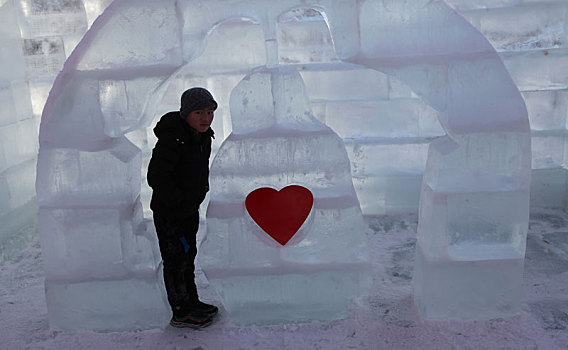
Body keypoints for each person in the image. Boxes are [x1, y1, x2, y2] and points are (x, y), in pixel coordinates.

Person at [147, 87, 219, 328]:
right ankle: (180, 310)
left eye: (209, 112)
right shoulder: (172, 139)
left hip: (188, 210)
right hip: (170, 214)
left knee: (188, 257)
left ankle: (192, 302)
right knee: (176, 260)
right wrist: (177, 202)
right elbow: (156, 176)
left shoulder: (202, 137)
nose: (205, 118)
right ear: (186, 113)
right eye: (199, 112)